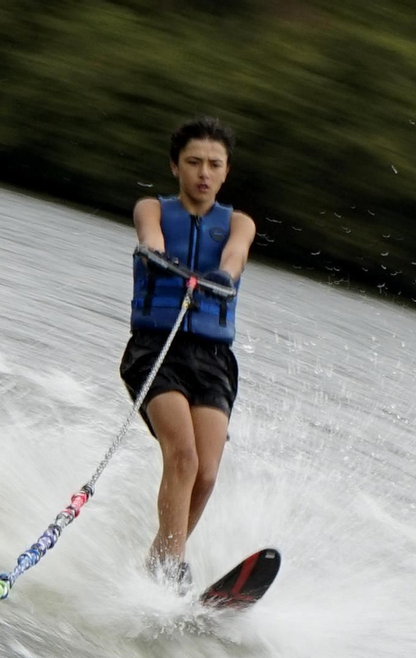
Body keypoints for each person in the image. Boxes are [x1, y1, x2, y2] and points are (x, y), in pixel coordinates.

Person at [122, 116, 257, 591]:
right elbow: (150, 237)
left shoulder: (239, 222)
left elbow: (235, 255)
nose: (203, 172)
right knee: (182, 457)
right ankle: (171, 569)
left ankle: (158, 561)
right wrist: (156, 255)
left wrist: (225, 275)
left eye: (214, 164)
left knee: (207, 472)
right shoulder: (152, 209)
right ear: (175, 166)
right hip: (155, 350)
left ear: (226, 172)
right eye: (194, 162)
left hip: (212, 358)